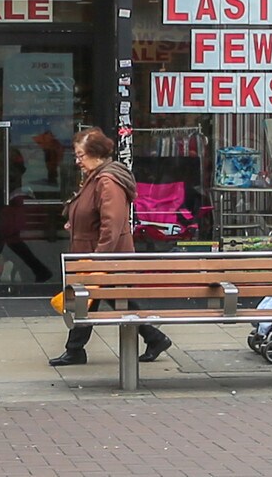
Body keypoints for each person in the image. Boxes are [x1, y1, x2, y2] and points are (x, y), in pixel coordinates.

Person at [48, 127, 172, 369]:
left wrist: (99, 259)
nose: (77, 161)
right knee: (102, 300)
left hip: (104, 256)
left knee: (94, 299)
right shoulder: (96, 177)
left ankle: (75, 350)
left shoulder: (107, 181)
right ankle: (154, 338)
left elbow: (112, 223)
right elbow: (92, 212)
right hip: (98, 255)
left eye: (80, 155)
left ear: (95, 154)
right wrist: (75, 221)